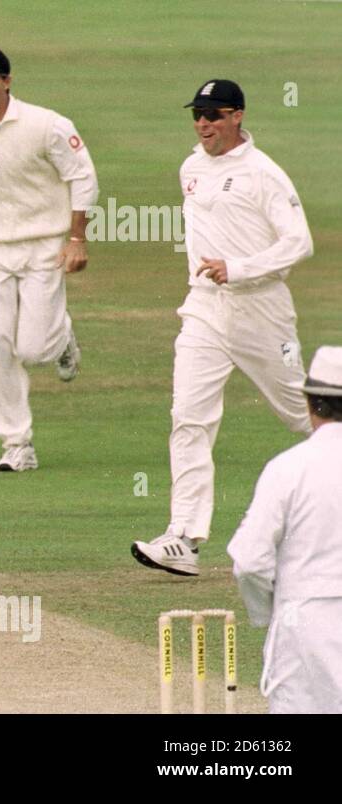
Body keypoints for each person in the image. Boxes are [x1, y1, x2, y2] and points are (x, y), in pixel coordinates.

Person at [132, 79, 314, 577]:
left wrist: (239, 268)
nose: (203, 124)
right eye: (197, 115)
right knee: (189, 418)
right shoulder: (190, 167)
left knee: (305, 416)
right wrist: (218, 276)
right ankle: (184, 538)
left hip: (261, 309)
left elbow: (299, 243)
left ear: (238, 116)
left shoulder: (264, 173)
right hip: (205, 308)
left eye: (213, 115)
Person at [0, 47, 98, 471]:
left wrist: (76, 237)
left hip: (43, 244)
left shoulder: (46, 125)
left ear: (7, 81)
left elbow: (82, 175)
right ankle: (16, 444)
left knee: (33, 347)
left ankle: (61, 341)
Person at [227, 346, 342, 713]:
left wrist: (267, 611)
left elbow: (249, 561)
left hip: (304, 625)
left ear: (310, 404)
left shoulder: (288, 468)